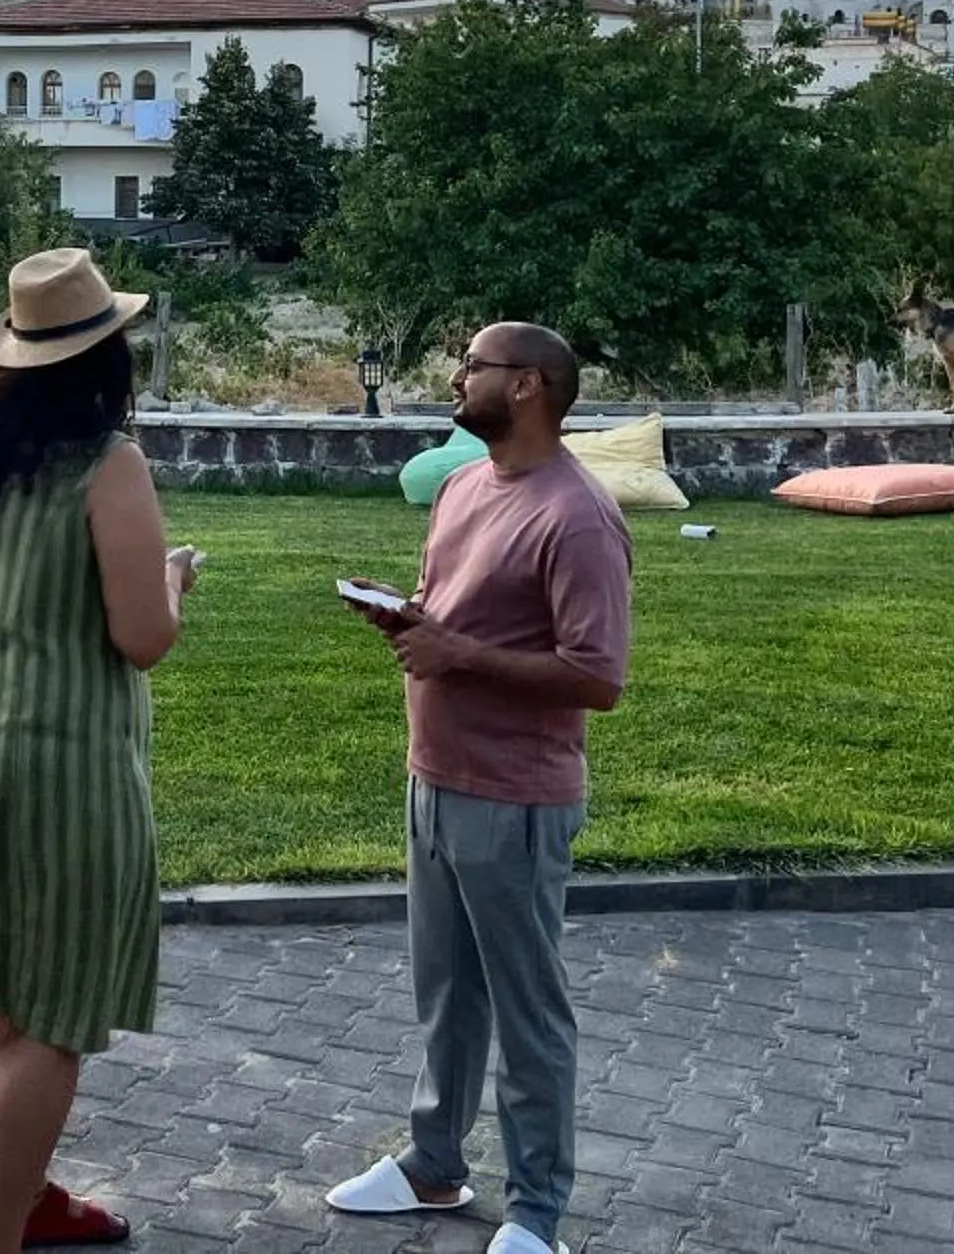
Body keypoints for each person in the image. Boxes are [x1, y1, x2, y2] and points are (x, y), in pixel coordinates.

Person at [0, 248, 199, 1254]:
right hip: (68, 768)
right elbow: (143, 636)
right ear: (108, 358)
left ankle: (28, 1202)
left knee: (13, 994)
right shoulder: (108, 465)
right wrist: (176, 579)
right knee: (56, 1014)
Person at [323, 322, 633, 1254]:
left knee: (527, 1009)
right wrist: (413, 621)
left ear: (531, 386)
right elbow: (464, 619)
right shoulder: (463, 484)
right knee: (448, 993)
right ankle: (434, 1167)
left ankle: (537, 1211)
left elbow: (598, 676)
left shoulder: (578, 516)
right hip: (435, 777)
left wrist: (456, 652)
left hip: (517, 797)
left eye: (475, 367)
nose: (457, 378)